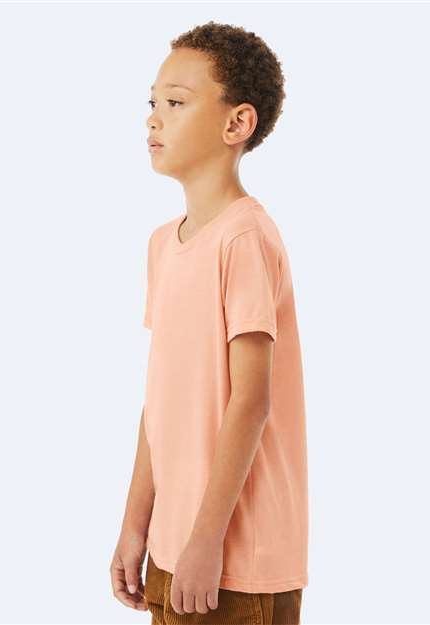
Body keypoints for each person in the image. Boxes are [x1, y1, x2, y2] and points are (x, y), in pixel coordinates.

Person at [110, 20, 308, 624]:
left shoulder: (244, 239)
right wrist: (135, 525)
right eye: (152, 104)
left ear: (236, 124)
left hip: (233, 558)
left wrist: (206, 541)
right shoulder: (163, 245)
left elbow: (251, 400)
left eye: (175, 103)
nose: (154, 119)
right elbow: (161, 400)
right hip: (175, 550)